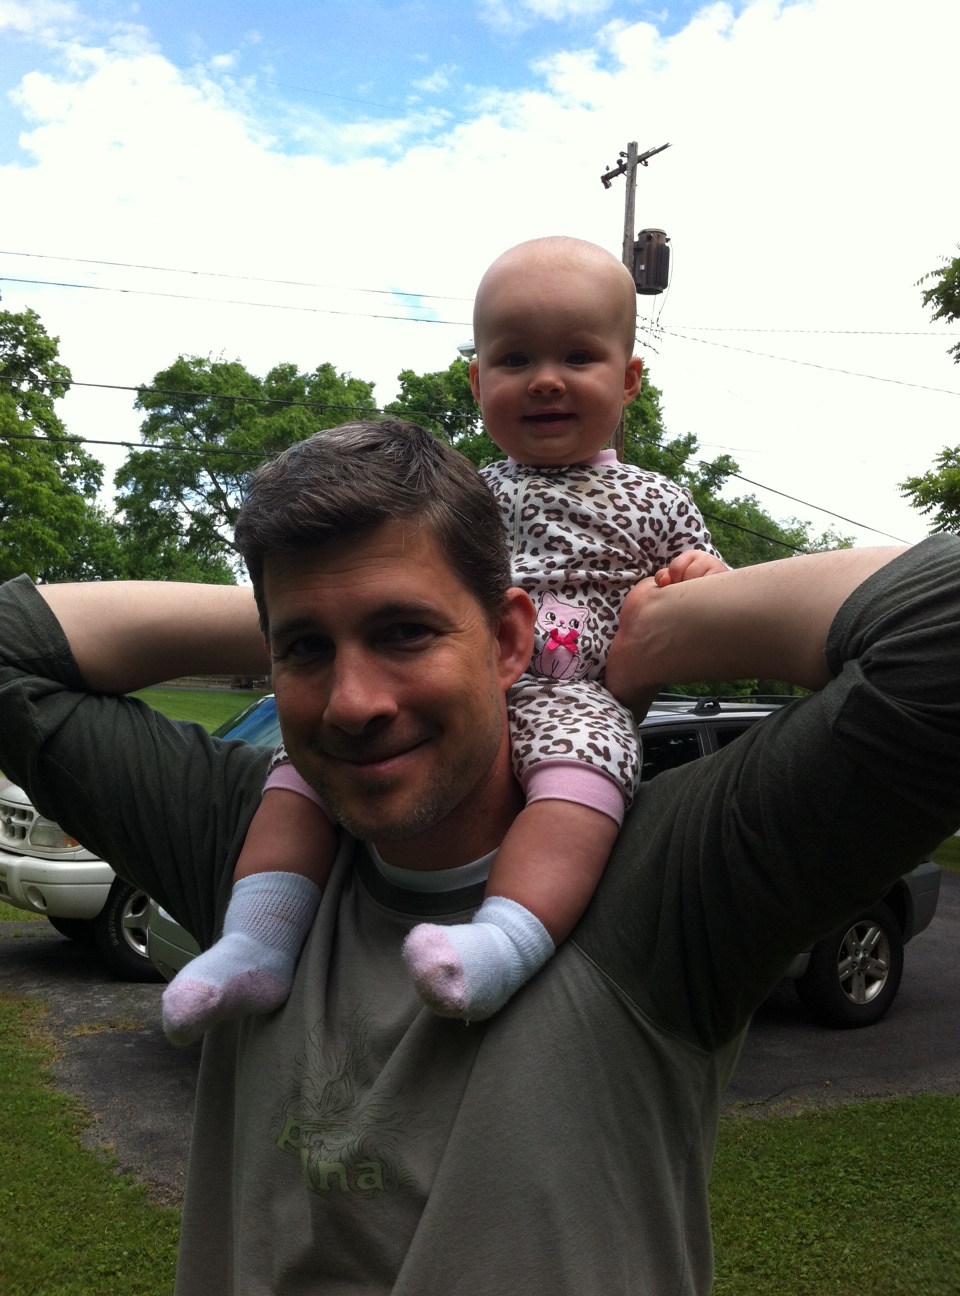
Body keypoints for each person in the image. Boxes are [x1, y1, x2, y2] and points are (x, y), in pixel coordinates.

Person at [1, 419, 958, 1296]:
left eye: (405, 632)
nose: (353, 703)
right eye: (306, 651)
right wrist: (286, 606)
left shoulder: (669, 884)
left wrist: (661, 631)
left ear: (508, 639)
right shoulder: (255, 852)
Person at [161, 236, 728, 1044]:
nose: (545, 380)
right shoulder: (466, 492)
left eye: (578, 356)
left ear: (630, 378)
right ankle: (255, 942)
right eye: (514, 359)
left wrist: (697, 577)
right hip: (463, 683)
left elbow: (707, 591)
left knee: (585, 777)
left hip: (574, 694)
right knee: (295, 775)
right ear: (477, 382)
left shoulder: (655, 498)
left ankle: (504, 940)